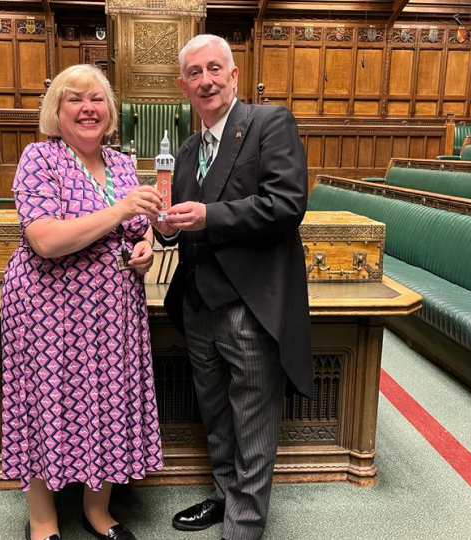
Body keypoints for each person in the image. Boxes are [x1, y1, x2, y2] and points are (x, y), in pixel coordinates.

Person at [152, 35, 313, 540]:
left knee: (253, 418)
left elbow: (287, 204)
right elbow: (180, 221)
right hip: (198, 302)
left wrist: (209, 216)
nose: (207, 80)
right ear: (184, 86)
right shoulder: (185, 149)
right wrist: (164, 228)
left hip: (250, 303)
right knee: (216, 413)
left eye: (215, 69)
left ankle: (243, 525)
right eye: (195, 73)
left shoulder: (269, 124)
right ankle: (225, 495)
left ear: (234, 74)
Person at [0, 64, 165, 540]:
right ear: (57, 110)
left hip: (113, 310)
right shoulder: (40, 158)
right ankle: (43, 518)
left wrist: (144, 248)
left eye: (97, 99)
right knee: (43, 402)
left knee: (109, 401)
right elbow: (46, 240)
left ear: (110, 112)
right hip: (48, 308)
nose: (87, 108)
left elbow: (136, 231)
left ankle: (98, 509)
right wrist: (120, 210)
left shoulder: (120, 164)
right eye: (74, 99)